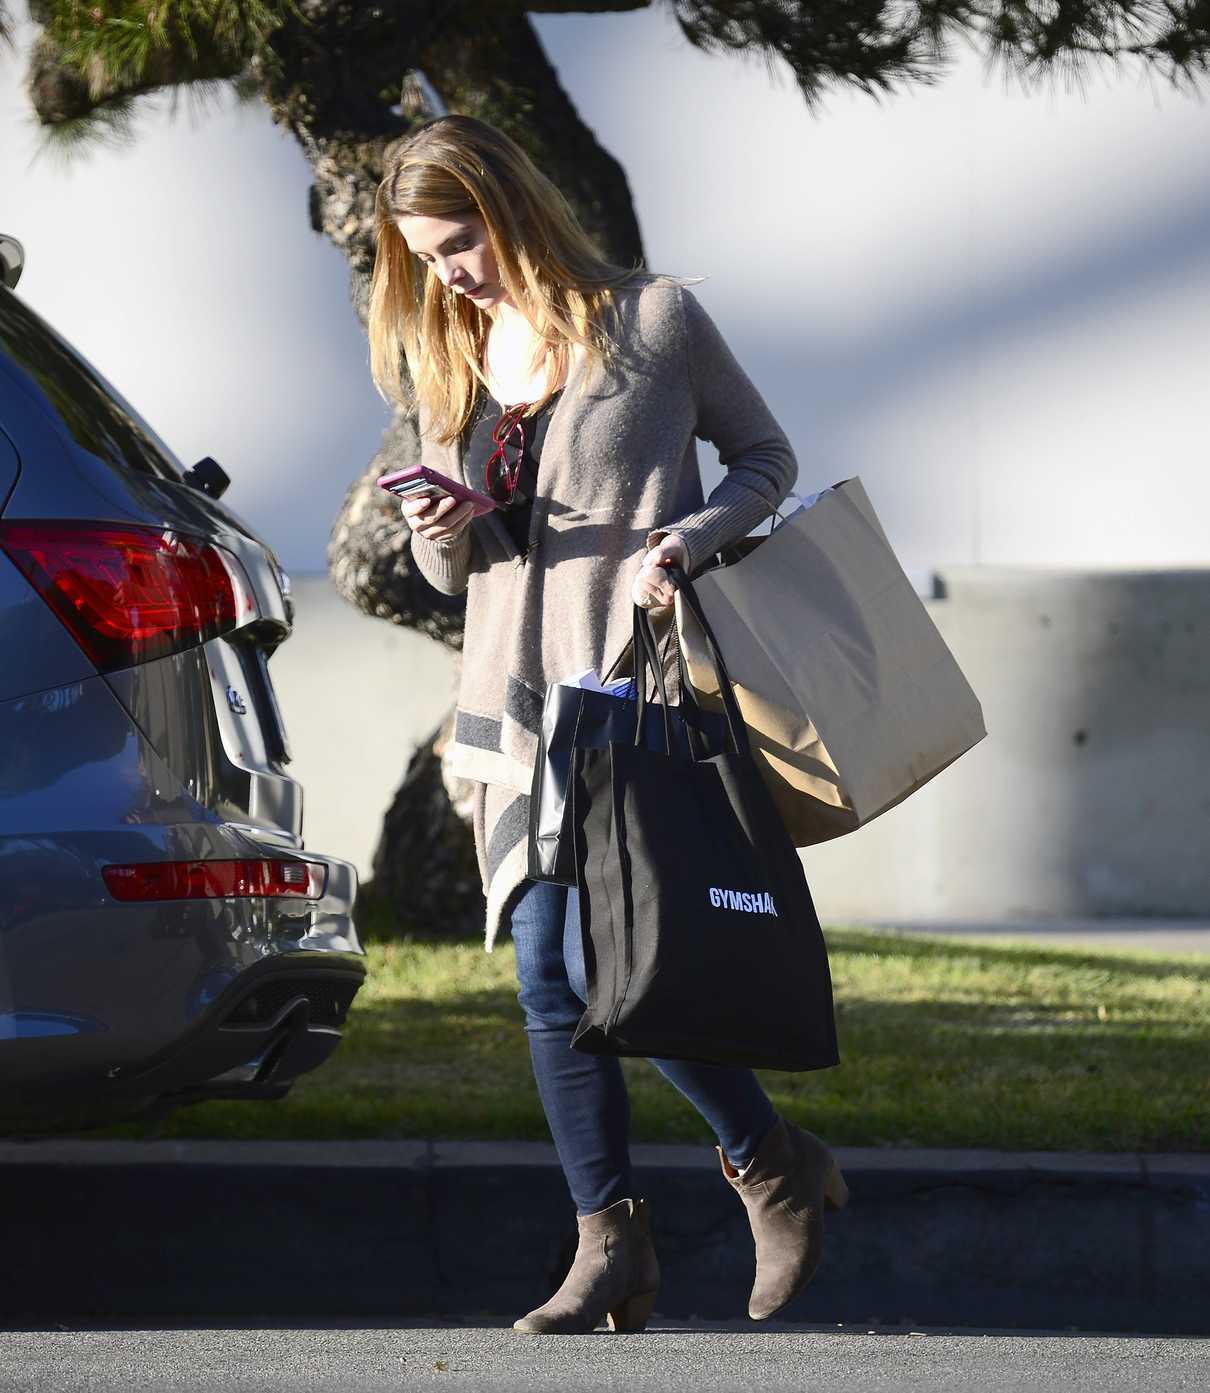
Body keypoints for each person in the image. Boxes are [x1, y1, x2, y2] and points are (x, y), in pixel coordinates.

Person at [368, 114, 848, 1335]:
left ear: (509, 204)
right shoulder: (453, 355)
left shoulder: (655, 322)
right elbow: (447, 574)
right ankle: (608, 1247)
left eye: (459, 240)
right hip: (507, 709)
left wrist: (684, 539)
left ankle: (767, 1159)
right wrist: (438, 521)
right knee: (544, 974)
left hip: (626, 688)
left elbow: (763, 457)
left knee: (613, 963)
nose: (449, 272)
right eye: (426, 256)